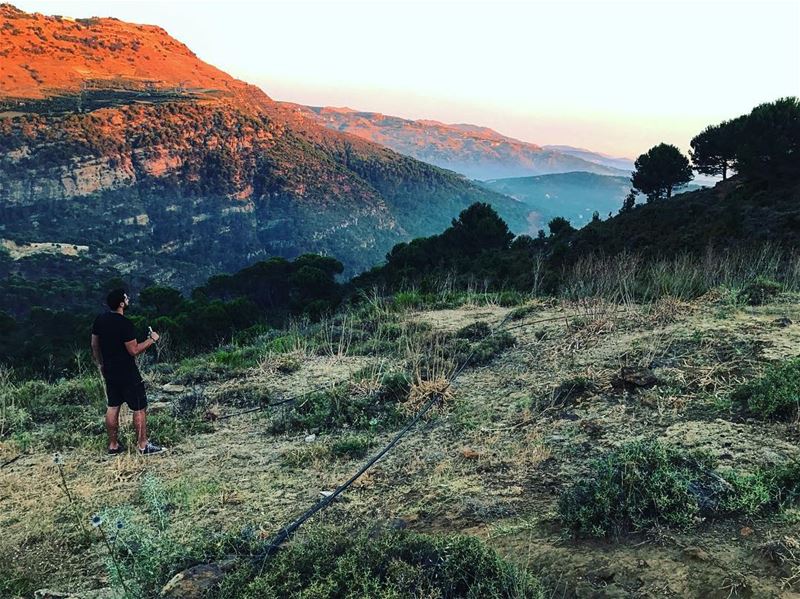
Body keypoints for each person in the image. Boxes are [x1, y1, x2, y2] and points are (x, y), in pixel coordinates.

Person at [90, 289, 164, 455]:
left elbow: (95, 345)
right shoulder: (125, 324)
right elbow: (134, 350)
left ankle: (113, 446)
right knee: (139, 407)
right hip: (127, 371)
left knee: (113, 406)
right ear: (121, 304)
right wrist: (152, 340)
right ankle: (143, 445)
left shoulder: (100, 320)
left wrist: (101, 364)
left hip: (109, 370)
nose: (128, 299)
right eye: (126, 298)